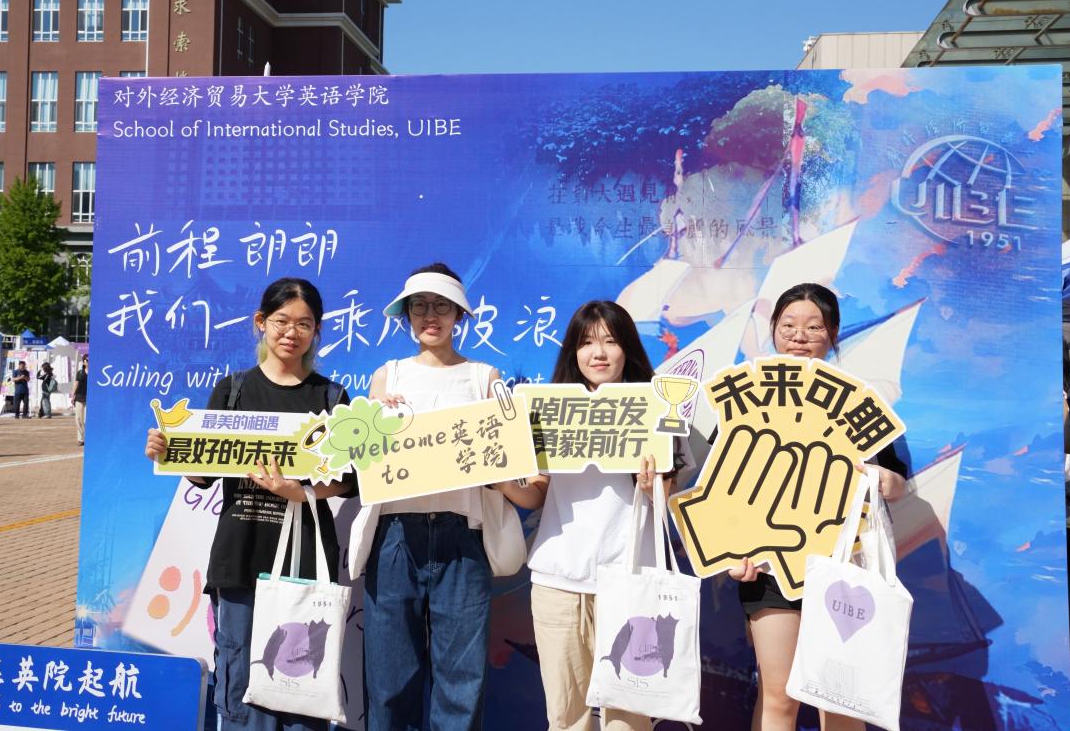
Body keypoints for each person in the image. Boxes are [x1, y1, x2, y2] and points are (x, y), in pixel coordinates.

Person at [144, 277, 354, 731]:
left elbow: (349, 480)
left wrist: (300, 492)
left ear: (317, 331)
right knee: (240, 684)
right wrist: (169, 452)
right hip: (239, 558)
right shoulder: (232, 390)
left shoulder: (332, 398)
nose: (291, 332)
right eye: (281, 321)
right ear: (261, 322)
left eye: (304, 324)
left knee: (300, 685)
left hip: (304, 559)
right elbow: (203, 474)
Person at [729, 283, 908, 731]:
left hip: (843, 568)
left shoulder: (858, 401)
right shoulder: (747, 396)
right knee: (779, 696)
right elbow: (723, 485)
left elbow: (896, 482)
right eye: (788, 325)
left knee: (842, 699)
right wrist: (731, 552)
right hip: (769, 570)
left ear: (833, 334)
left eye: (814, 327)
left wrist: (881, 479)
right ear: (773, 329)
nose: (799, 336)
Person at [360, 262, 531, 731]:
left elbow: (508, 454)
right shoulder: (387, 376)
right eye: (419, 307)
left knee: (461, 684)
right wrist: (377, 421)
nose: (430, 316)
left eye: (441, 306)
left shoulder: (484, 377)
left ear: (459, 315)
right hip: (396, 536)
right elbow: (365, 458)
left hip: (462, 539)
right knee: (390, 684)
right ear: (406, 316)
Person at [509, 300, 687, 731]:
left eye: (610, 341)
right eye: (587, 343)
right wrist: (501, 482)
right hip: (558, 581)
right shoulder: (547, 412)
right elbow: (535, 495)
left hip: (630, 580)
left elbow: (667, 500)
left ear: (628, 349)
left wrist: (652, 484)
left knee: (629, 718)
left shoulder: (658, 411)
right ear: (574, 352)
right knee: (567, 717)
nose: (599, 353)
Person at [71, 354, 88, 445]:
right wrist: (73, 395)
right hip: (79, 397)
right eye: (87, 360)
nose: (89, 362)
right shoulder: (80, 372)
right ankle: (81, 439)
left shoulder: (95, 372)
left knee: (86, 420)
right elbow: (76, 384)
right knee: (78, 419)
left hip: (89, 398)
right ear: (84, 362)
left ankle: (87, 437)